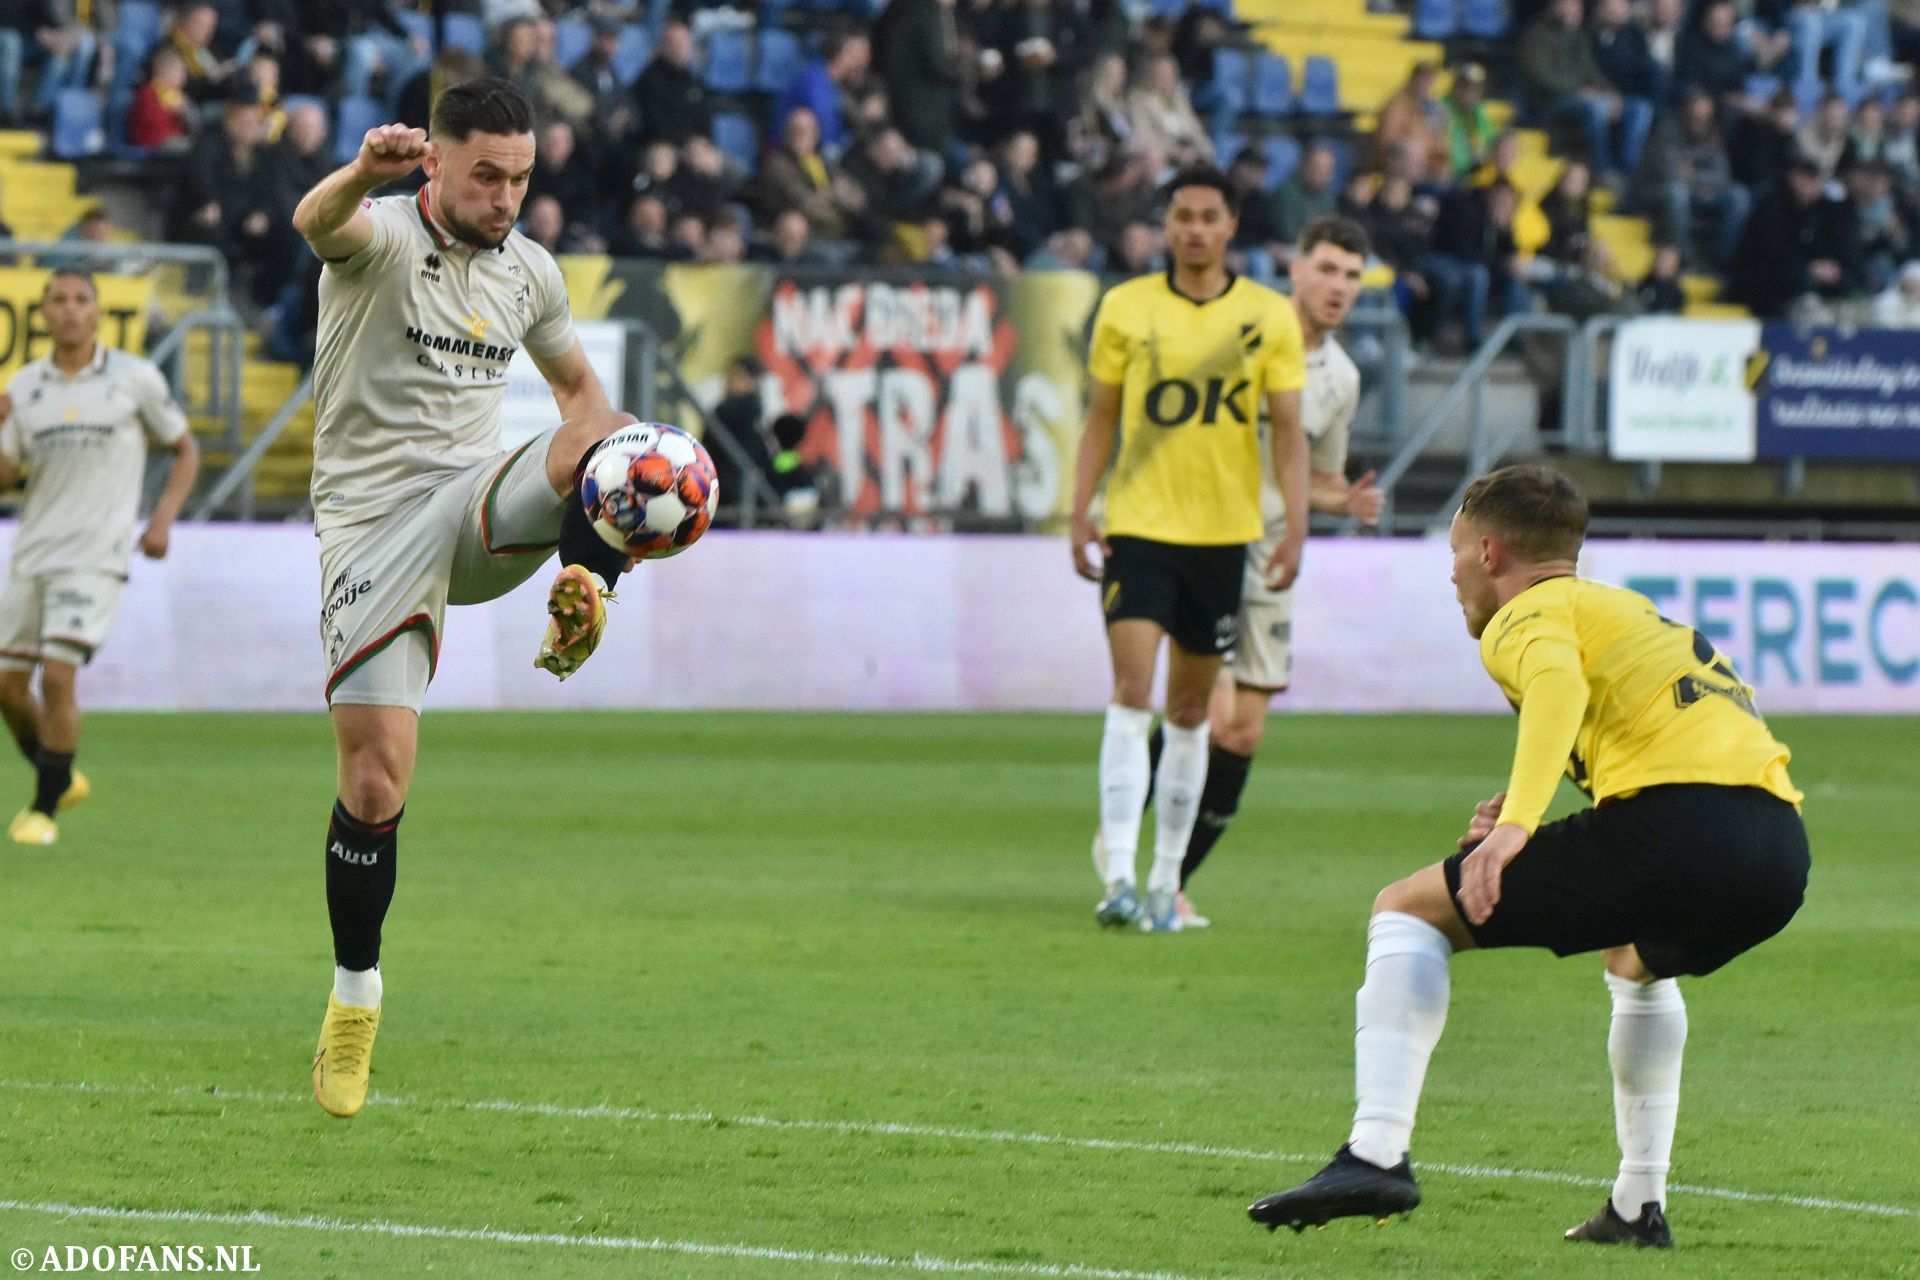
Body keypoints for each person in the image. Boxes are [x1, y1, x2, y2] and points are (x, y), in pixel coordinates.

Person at [1245, 465, 1808, 1245]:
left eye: (1453, 553)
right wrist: (1520, 809)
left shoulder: (1527, 613)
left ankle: (1375, 1150)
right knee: (1633, 960)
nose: (1449, 573)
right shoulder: (1625, 611)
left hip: (1679, 826)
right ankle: (1637, 1207)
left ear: (1487, 552)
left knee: (1407, 910)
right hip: (1778, 850)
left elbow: (1555, 687)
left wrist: (1517, 825)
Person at [290, 77, 640, 1119]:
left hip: (476, 505)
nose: (506, 196)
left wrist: (593, 537)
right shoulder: (383, 236)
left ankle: (590, 582)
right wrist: (361, 167)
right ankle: (356, 997)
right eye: (487, 173)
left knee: (612, 435)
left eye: (521, 177)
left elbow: (582, 396)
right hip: (372, 529)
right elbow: (315, 222)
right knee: (375, 783)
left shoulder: (531, 272)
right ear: (434, 161)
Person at [1094, 217, 1384, 929]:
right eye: (1327, 269)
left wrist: (1342, 498)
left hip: (1270, 553)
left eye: (1352, 275)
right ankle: (1132, 849)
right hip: (1204, 536)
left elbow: (1311, 475)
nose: (1338, 286)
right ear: (1296, 269)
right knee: (1206, 711)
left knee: (1243, 732)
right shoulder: (1238, 329)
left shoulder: (1341, 378)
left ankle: (1174, 878)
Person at [1068, 167, 1312, 933]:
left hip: (1223, 534)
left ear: (1231, 226)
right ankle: (1116, 875)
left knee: (1187, 710)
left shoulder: (1269, 317)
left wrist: (1297, 524)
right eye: (1182, 217)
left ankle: (1164, 884)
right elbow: (1101, 417)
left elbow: (1290, 434)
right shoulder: (1126, 308)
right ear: (1167, 226)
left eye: (1209, 217)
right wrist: (1081, 510)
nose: (1195, 229)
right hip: (1139, 527)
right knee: (1130, 692)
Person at [0, 271, 199, 846]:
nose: (68, 310)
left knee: (58, 676)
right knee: (7, 687)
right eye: (57, 300)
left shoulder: (132, 379)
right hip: (33, 550)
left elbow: (183, 447)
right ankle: (58, 774)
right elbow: (7, 475)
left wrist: (162, 520)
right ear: (42, 314)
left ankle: (42, 811)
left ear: (97, 313)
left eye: (80, 300)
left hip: (96, 555)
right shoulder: (25, 386)